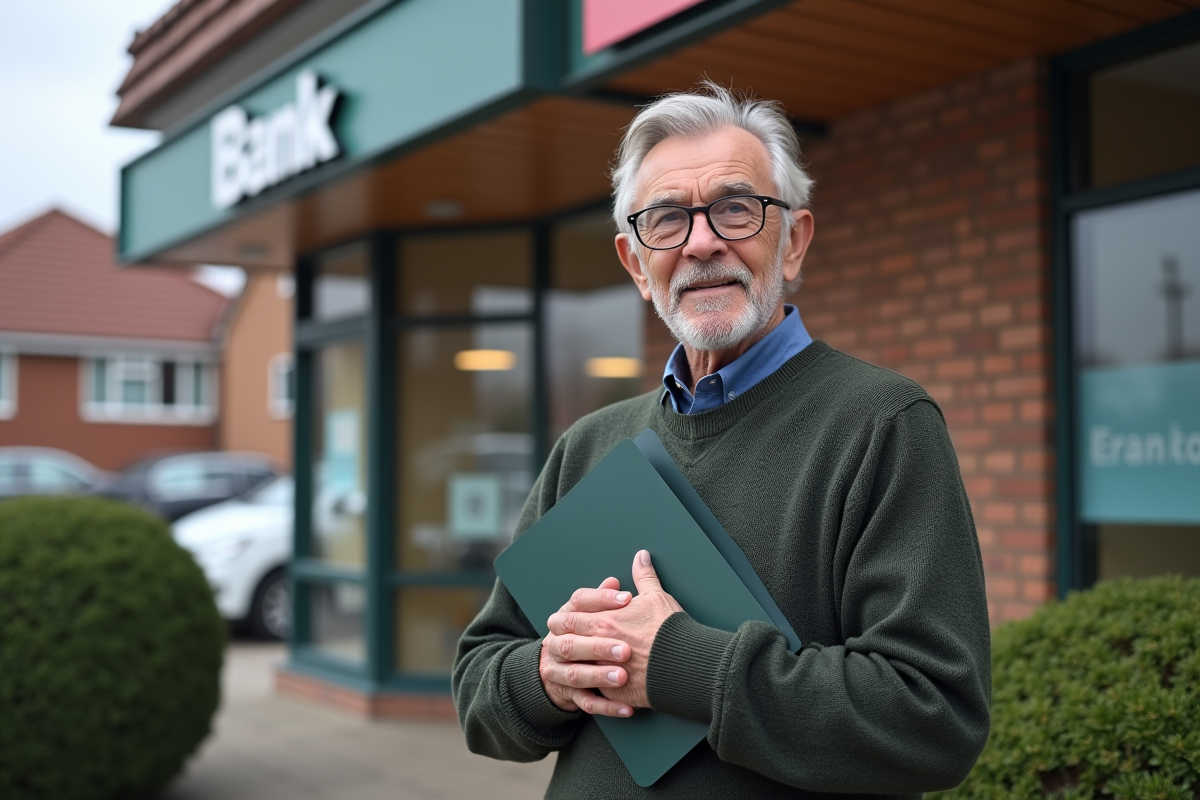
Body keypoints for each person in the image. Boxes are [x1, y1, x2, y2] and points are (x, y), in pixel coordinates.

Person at [452, 82, 991, 799]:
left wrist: (677, 661)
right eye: (667, 220)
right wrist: (549, 676)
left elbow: (933, 719)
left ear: (793, 241)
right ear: (637, 265)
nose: (702, 242)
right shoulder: (588, 445)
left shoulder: (882, 424)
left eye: (736, 208)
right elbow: (480, 683)